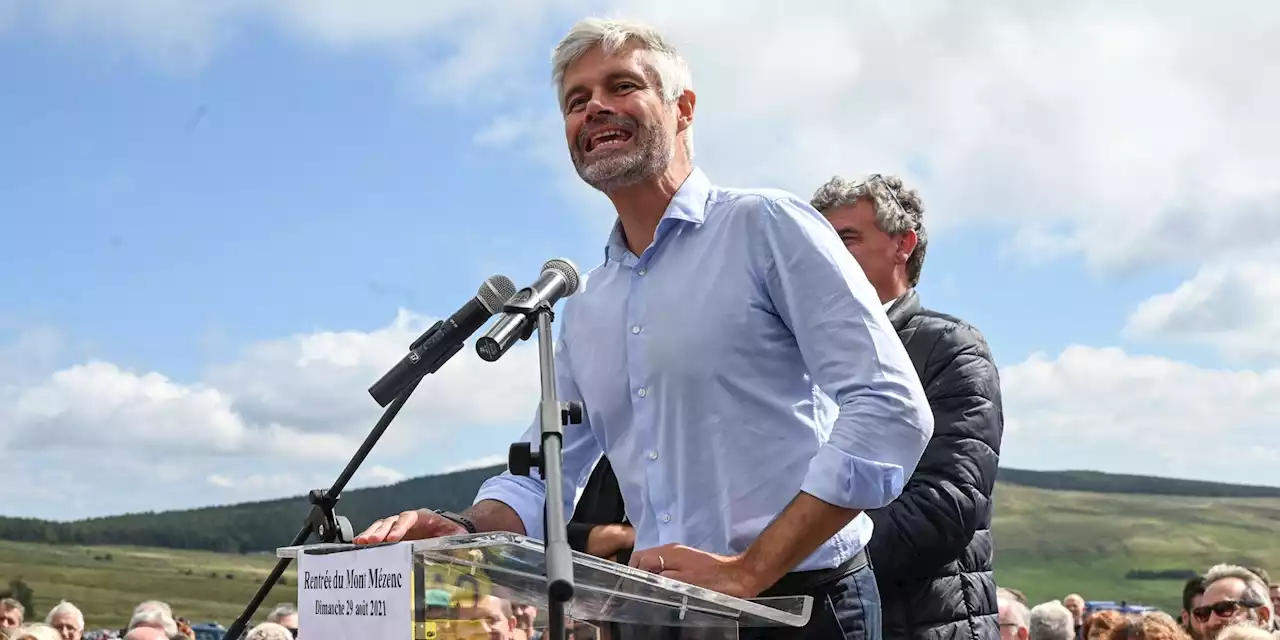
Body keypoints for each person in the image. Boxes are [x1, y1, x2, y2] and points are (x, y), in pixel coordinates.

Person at [354, 17, 934, 639]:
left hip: (799, 607)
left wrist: (750, 569)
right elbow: (546, 470)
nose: (595, 107)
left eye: (620, 86)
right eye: (576, 102)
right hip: (660, 609)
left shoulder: (767, 227)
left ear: (682, 108)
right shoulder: (587, 304)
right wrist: (465, 529)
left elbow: (890, 407)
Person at [810, 173, 1003, 640]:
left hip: (926, 625)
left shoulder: (950, 349)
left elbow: (942, 510)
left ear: (903, 244)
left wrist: (782, 552)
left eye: (847, 238)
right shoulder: (797, 354)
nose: (824, 255)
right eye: (817, 241)